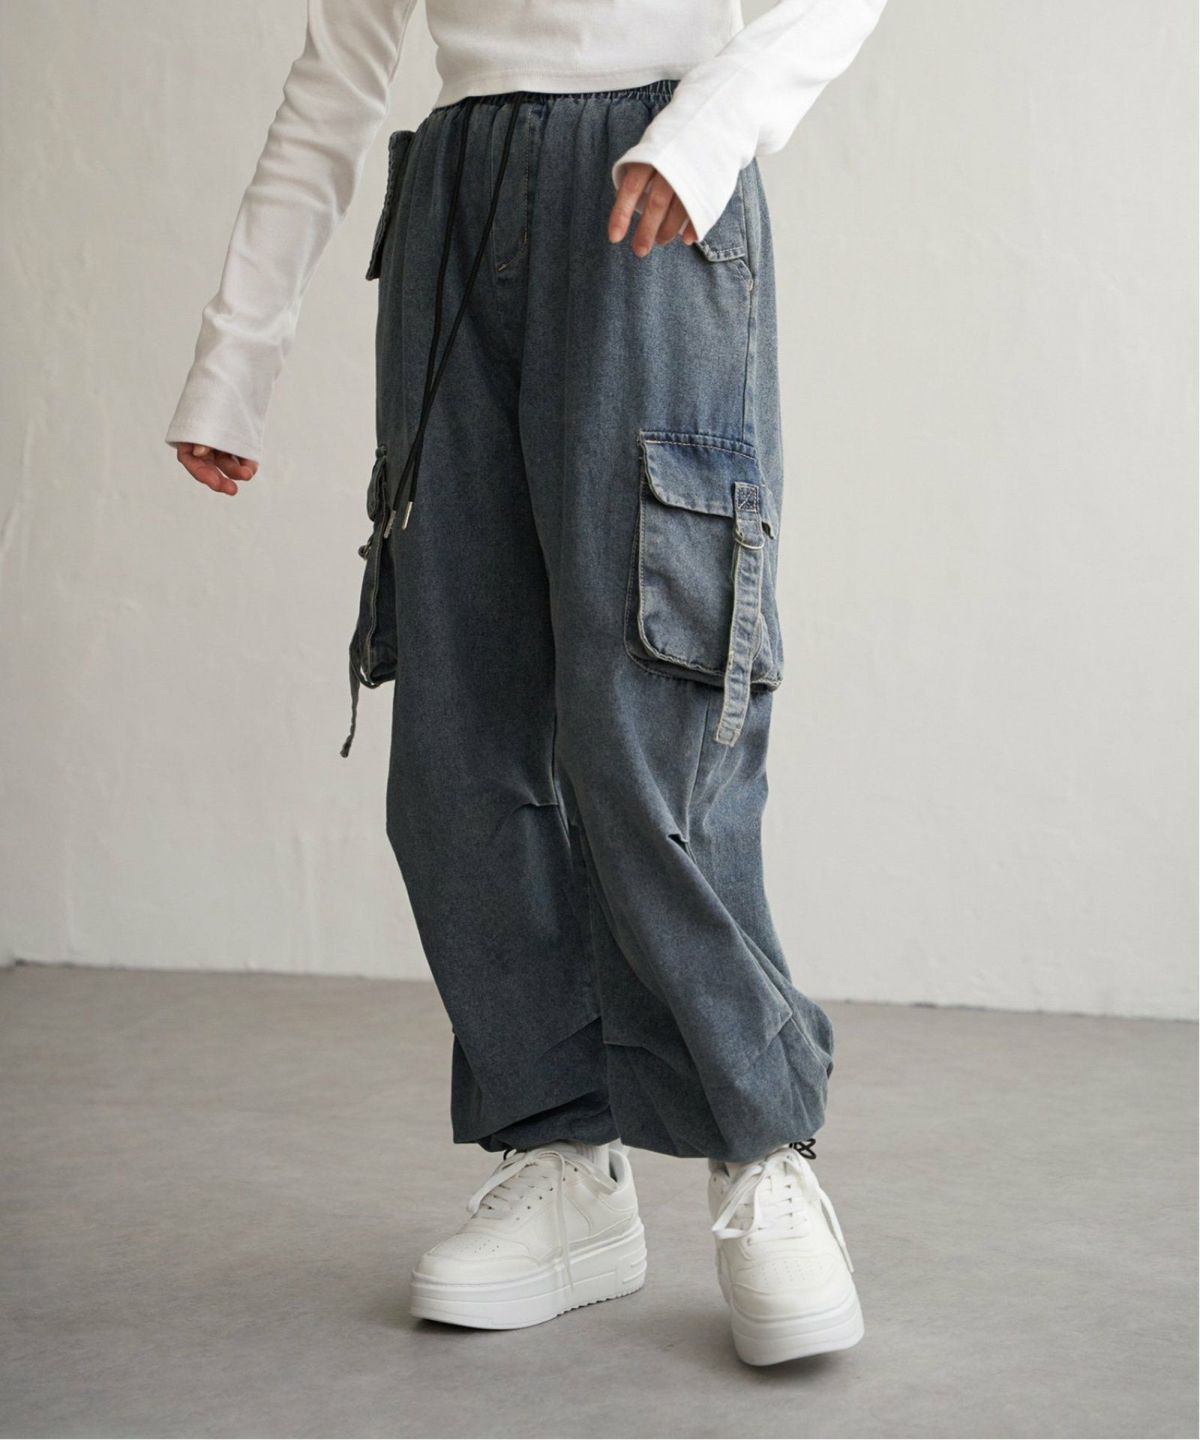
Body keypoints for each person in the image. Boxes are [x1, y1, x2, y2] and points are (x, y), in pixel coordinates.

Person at [166, 0, 887, 1367]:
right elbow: (336, 71)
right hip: (455, 201)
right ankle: (563, 1157)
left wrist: (713, 123)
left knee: (656, 710)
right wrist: (236, 354)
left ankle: (762, 1148)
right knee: (459, 720)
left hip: (656, 182)